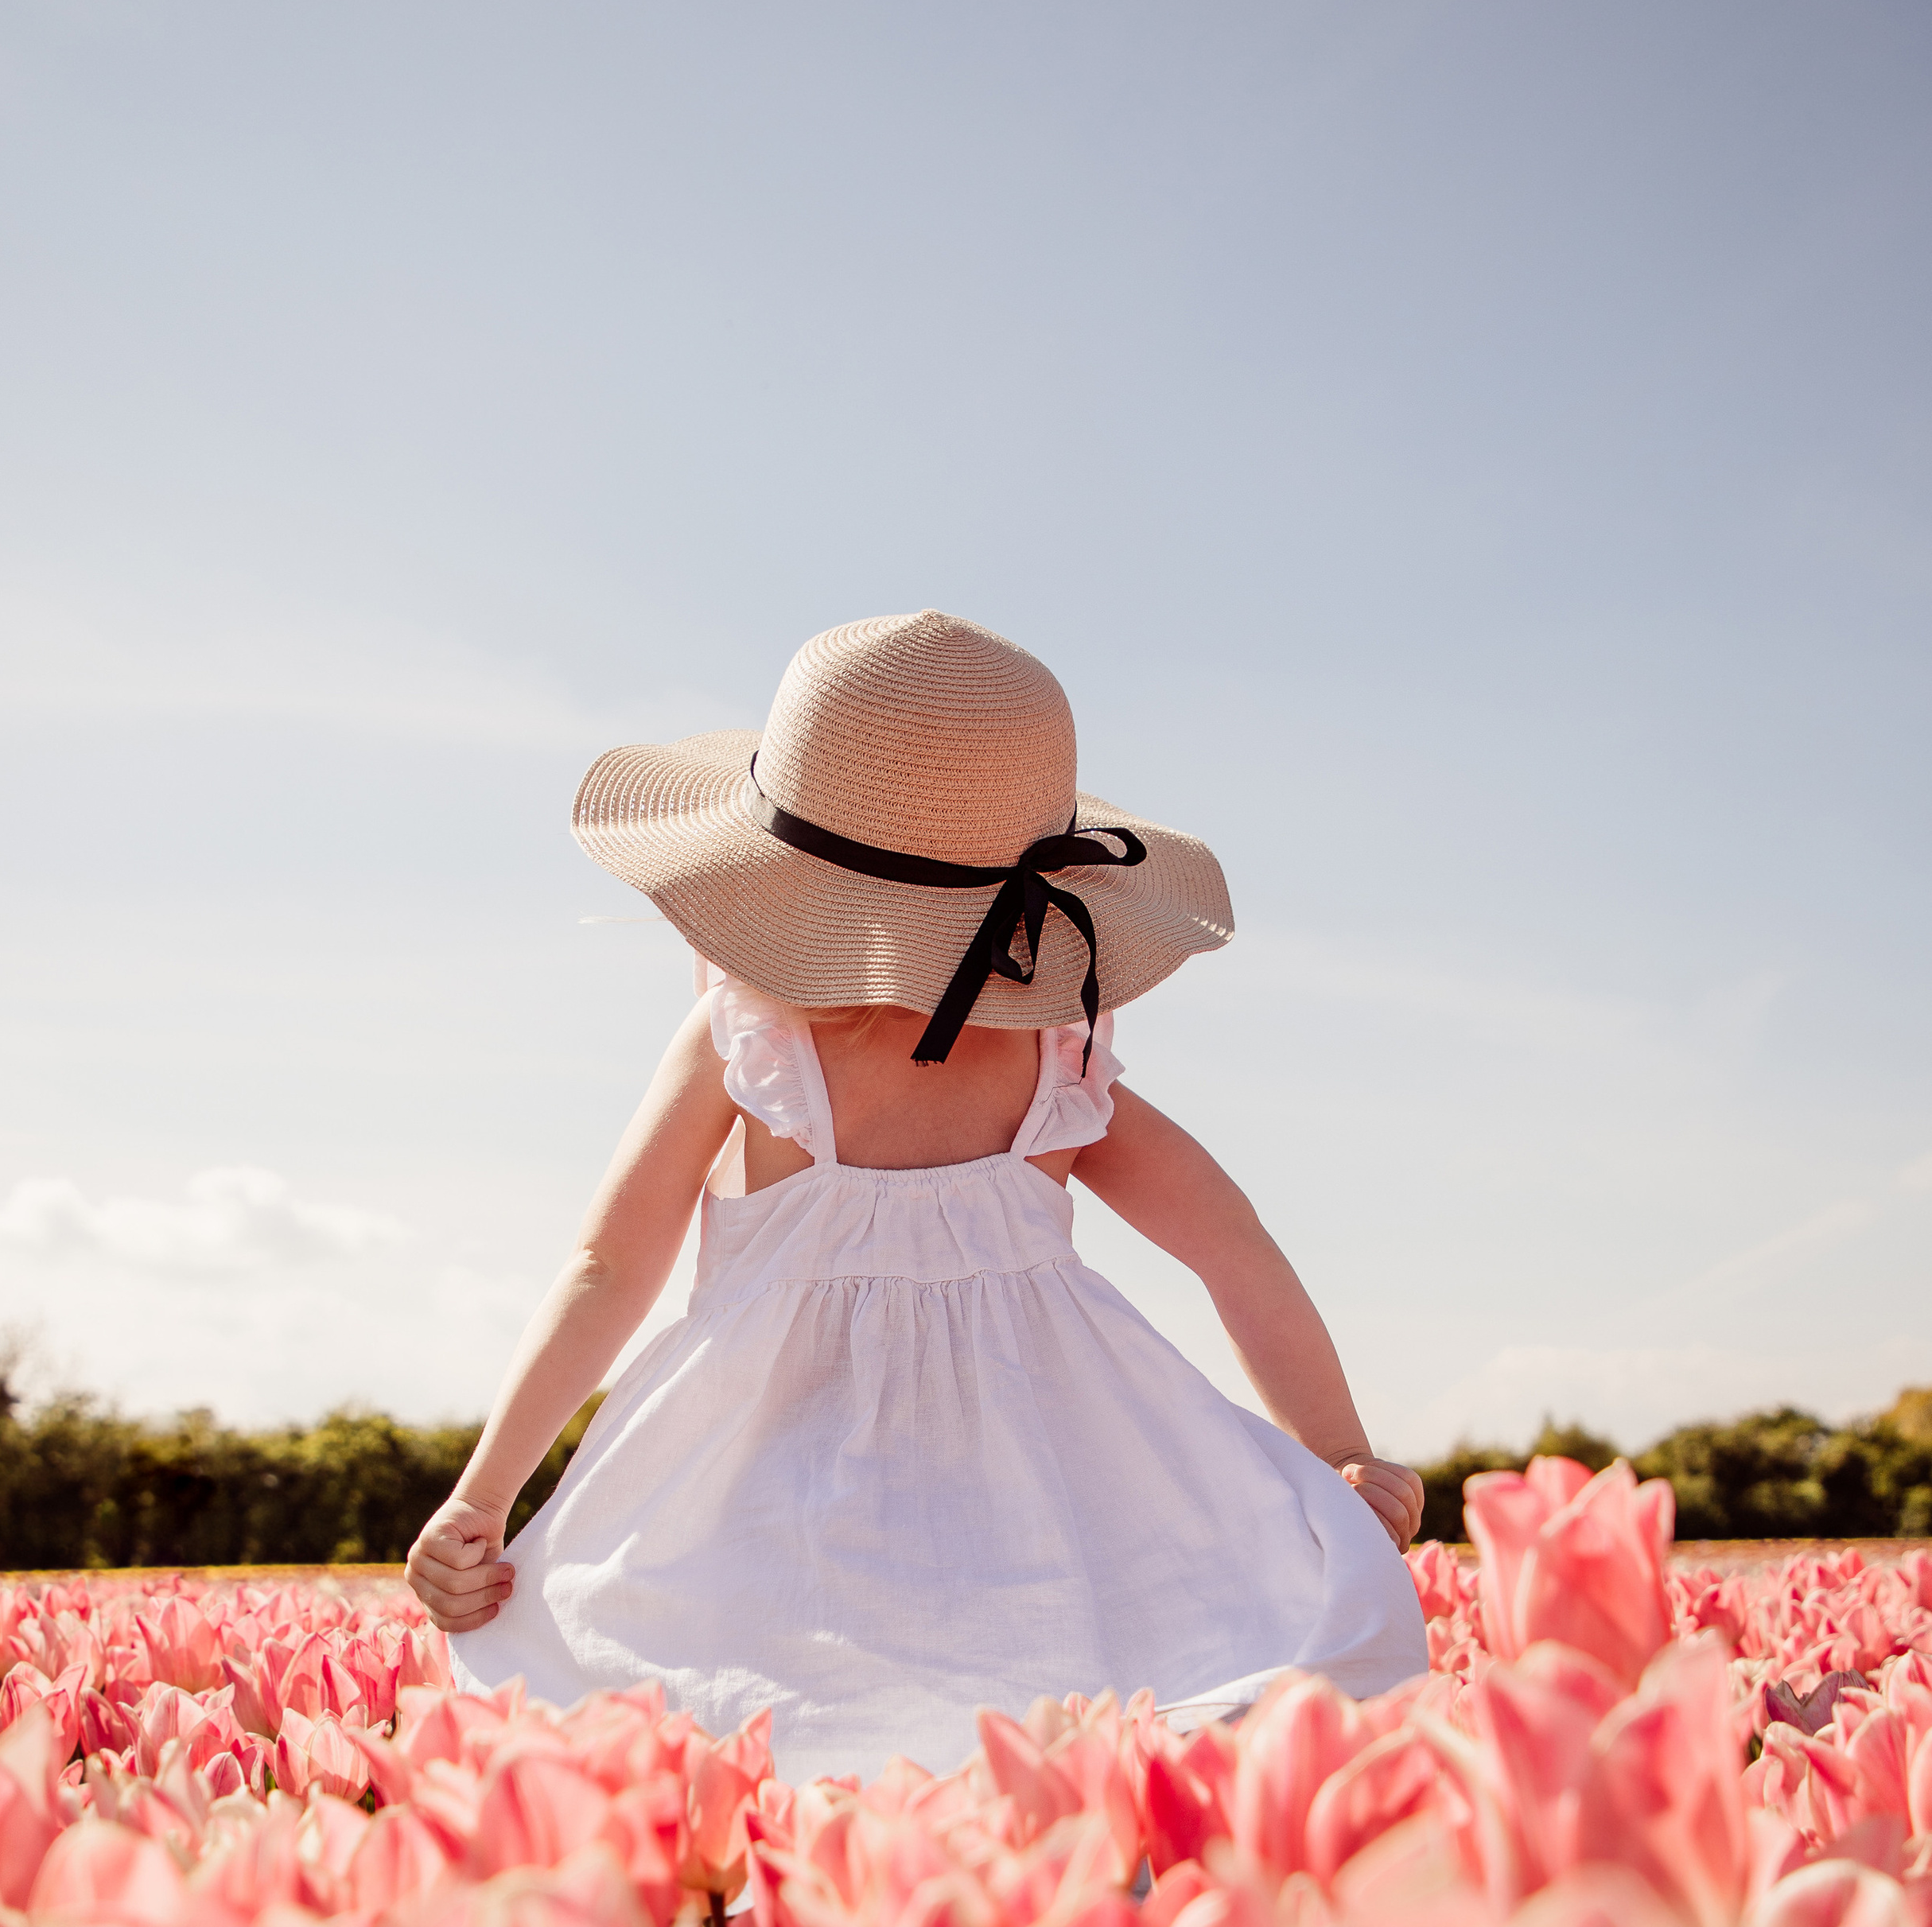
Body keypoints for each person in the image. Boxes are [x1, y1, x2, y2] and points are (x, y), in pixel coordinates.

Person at [410, 609, 1426, 1785]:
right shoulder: (1064, 1055)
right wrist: (1343, 1456)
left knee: (753, 1733)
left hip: (768, 1511)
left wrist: (482, 1498)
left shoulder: (746, 1038)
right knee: (1087, 1729)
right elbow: (1232, 1247)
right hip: (1046, 1506)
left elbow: (607, 1270)